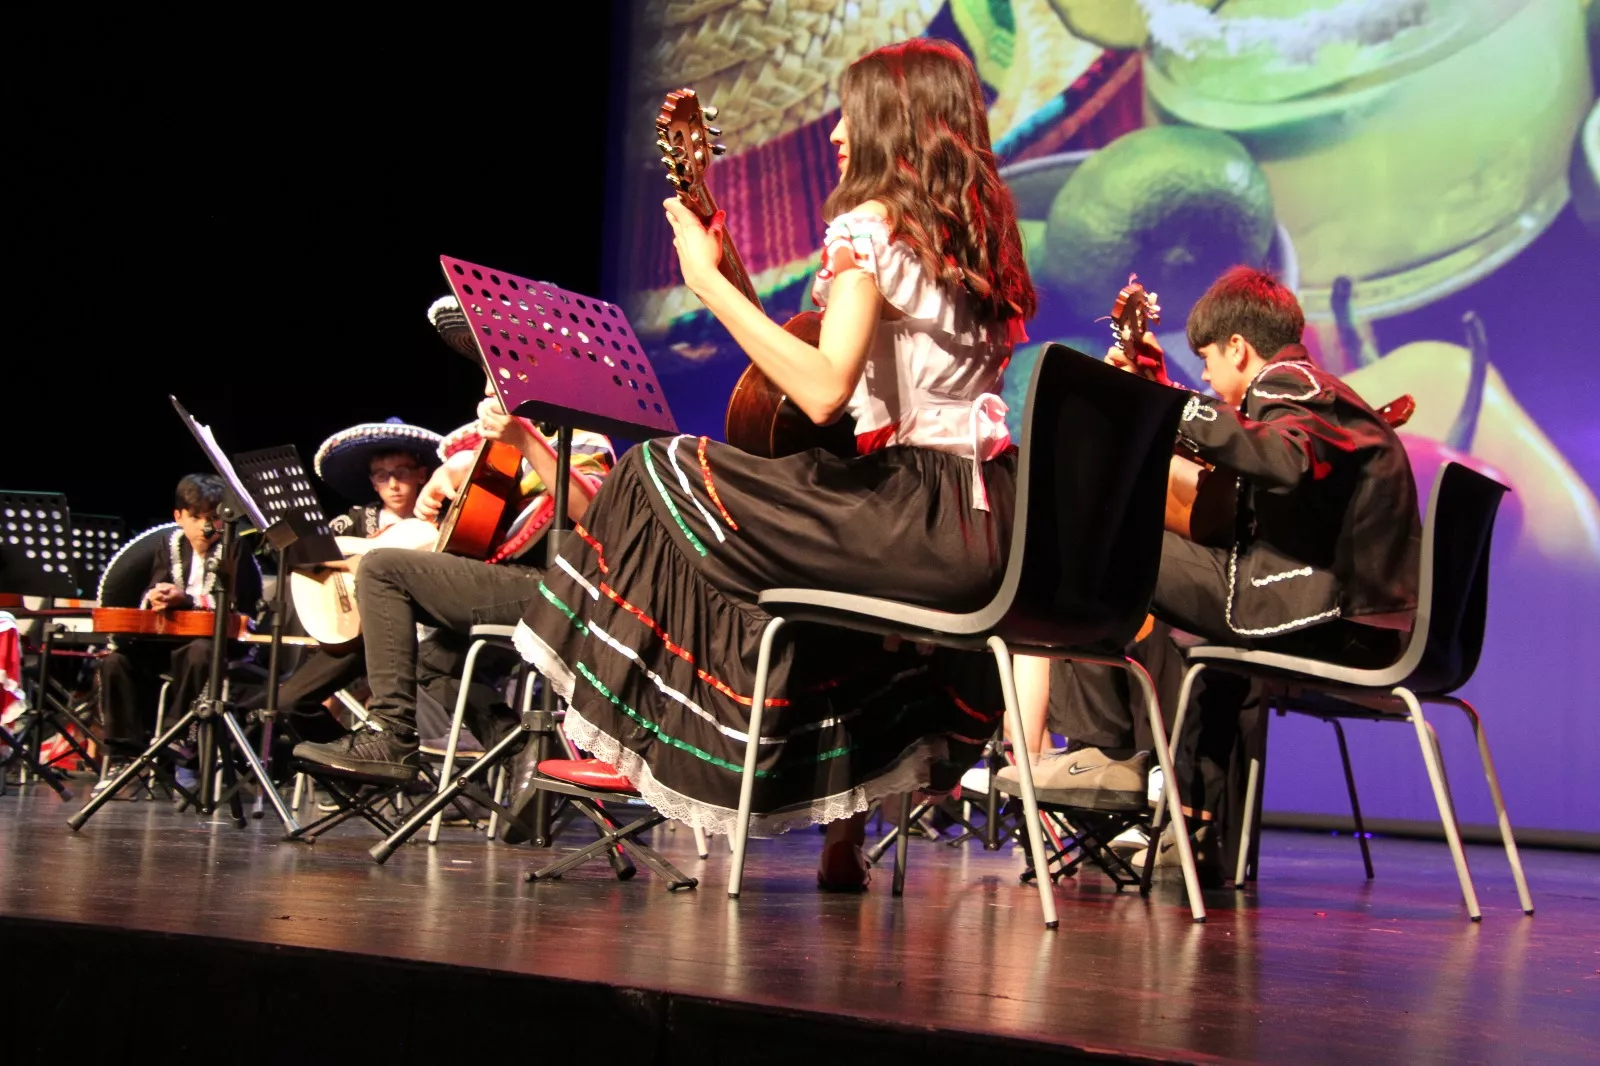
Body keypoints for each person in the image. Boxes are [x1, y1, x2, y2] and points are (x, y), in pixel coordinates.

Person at [511, 38, 1036, 889]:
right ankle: (840, 832)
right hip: (980, 519)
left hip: (909, 510)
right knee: (789, 564)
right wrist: (727, 264)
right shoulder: (970, 238)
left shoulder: (869, 232)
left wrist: (705, 285)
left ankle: (648, 735)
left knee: (658, 475)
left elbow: (823, 392)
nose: (833, 134)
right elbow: (801, 365)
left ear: (892, 125)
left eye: (848, 115)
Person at [998, 267, 1421, 880]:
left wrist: (1164, 405)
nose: (1207, 378)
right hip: (1350, 618)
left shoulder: (1292, 383)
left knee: (1097, 546)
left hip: (1331, 619)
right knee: (1207, 655)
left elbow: (1283, 457)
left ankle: (1105, 755)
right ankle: (1188, 827)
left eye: (1207, 363)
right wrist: (1168, 400)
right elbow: (1262, 455)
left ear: (1238, 349)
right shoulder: (1314, 391)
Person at [290, 370, 615, 788]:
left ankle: (392, 733)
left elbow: (594, 513)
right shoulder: (498, 453)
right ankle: (521, 749)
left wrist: (525, 443)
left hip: (564, 591)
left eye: (496, 379)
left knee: (382, 569)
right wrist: (454, 474)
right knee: (432, 659)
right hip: (517, 583)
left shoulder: (580, 436)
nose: (485, 391)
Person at [251, 418, 441, 752]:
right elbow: (307, 557)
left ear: (422, 474)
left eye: (403, 472)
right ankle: (351, 767)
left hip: (417, 640)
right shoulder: (354, 520)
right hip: (356, 636)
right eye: (383, 476)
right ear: (373, 482)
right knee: (287, 702)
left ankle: (380, 760)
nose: (393, 484)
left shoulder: (440, 521)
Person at [95, 474, 263, 790]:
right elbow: (152, 589)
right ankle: (125, 758)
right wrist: (155, 597)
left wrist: (187, 599)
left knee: (201, 652)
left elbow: (238, 605)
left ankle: (179, 745)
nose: (204, 527)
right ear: (178, 517)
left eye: (212, 518)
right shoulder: (168, 544)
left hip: (218, 645)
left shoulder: (235, 547)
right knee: (115, 662)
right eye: (195, 518)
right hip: (168, 640)